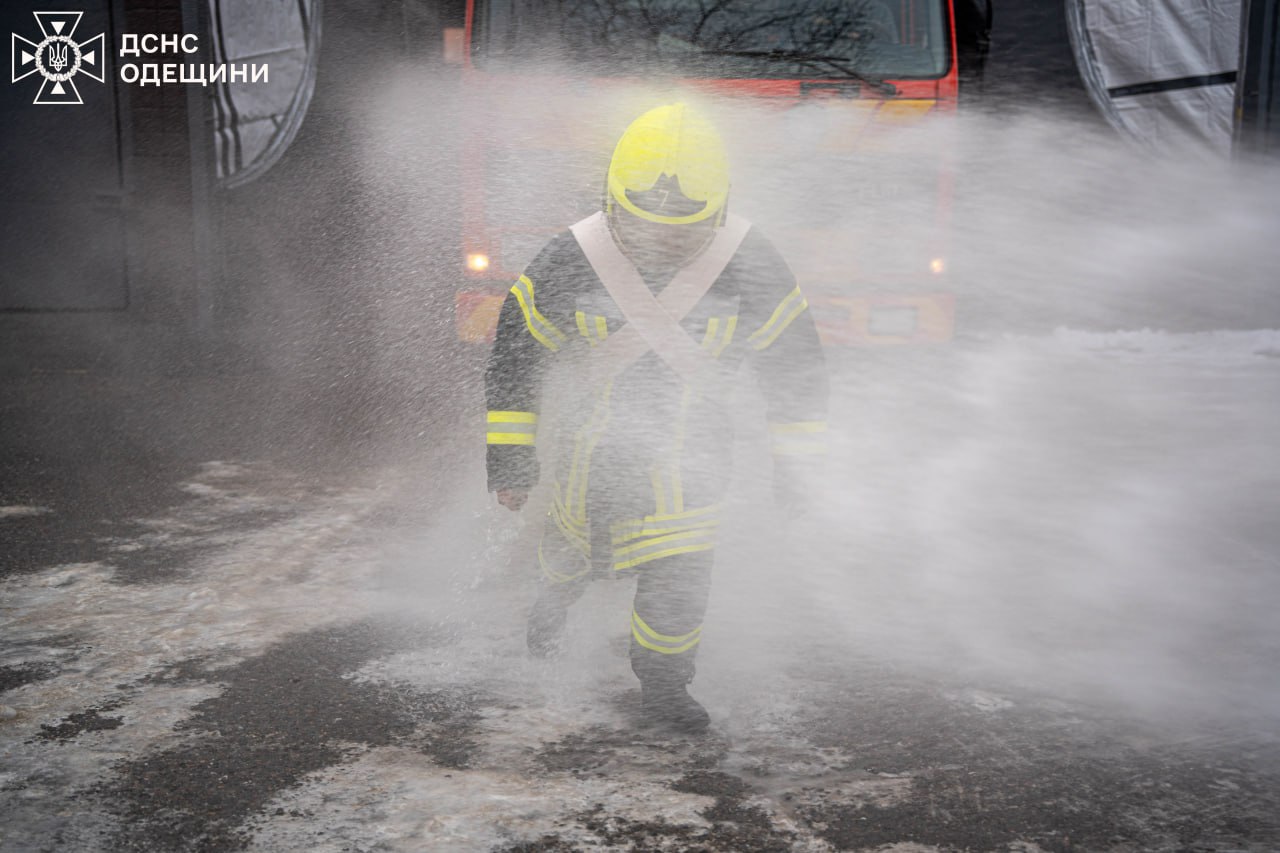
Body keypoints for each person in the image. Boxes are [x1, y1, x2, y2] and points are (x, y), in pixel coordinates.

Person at [485, 103, 828, 732]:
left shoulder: (752, 261)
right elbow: (515, 357)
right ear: (612, 201)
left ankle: (665, 687)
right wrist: (510, 458)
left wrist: (798, 471)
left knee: (680, 574)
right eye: (641, 226)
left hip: (691, 461)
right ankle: (550, 608)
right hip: (586, 455)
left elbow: (796, 370)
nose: (660, 240)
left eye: (681, 231)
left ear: (719, 208)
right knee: (570, 552)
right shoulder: (572, 254)